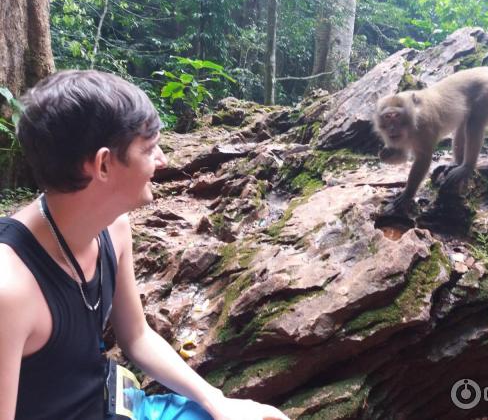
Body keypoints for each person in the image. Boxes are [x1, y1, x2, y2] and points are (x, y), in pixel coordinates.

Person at [0, 70, 291, 420]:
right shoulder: (10, 289)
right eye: (150, 148)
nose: (163, 159)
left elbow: (136, 337)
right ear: (103, 164)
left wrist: (218, 402)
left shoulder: (114, 229)